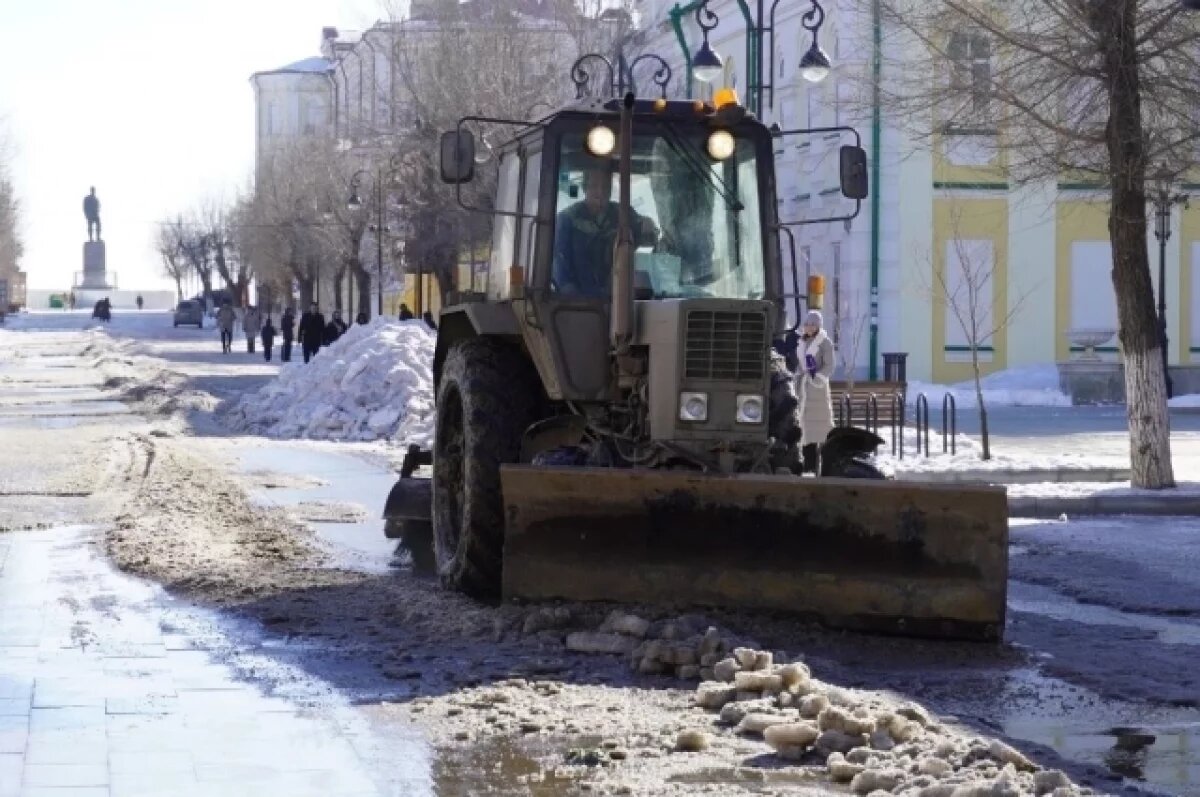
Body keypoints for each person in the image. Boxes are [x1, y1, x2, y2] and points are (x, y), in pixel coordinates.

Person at [551, 168, 658, 296]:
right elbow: (559, 262)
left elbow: (648, 234)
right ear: (585, 188)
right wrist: (570, 294)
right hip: (578, 301)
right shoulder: (567, 220)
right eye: (594, 186)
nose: (600, 192)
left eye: (605, 186)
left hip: (617, 298)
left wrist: (648, 225)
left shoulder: (623, 214)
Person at [796, 310, 836, 475]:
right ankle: (806, 462)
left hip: (816, 389)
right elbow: (799, 363)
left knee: (819, 427)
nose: (809, 327)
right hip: (802, 387)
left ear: (819, 326)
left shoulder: (825, 342)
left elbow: (830, 365)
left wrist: (817, 377)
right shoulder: (801, 342)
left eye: (813, 324)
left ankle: (820, 464)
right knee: (803, 425)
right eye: (807, 324)